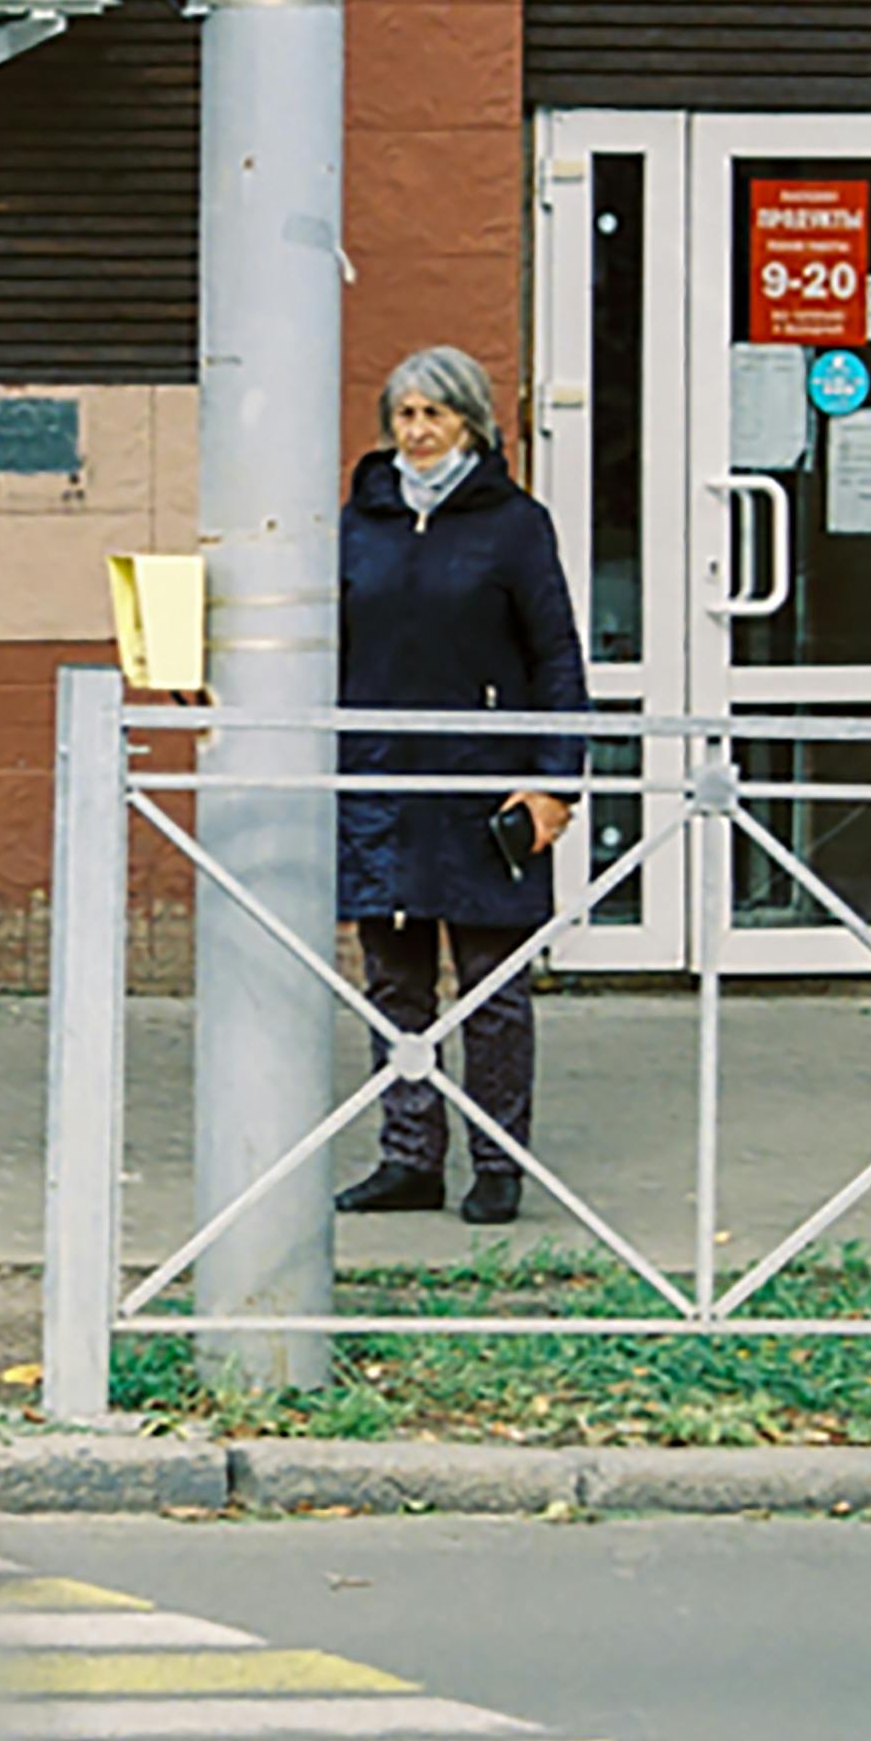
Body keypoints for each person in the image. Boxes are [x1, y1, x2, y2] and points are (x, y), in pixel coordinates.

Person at [330, 343, 588, 1228]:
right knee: (395, 984)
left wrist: (556, 783)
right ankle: (408, 1157)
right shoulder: (359, 521)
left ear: (471, 422)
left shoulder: (514, 524)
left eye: (435, 414)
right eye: (404, 415)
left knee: (492, 988)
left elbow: (556, 654)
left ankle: (497, 1161)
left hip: (485, 785)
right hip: (383, 781)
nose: (418, 431)